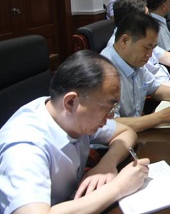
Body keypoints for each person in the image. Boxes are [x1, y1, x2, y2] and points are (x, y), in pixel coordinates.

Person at [0, 50, 149, 213]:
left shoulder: (71, 114)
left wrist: (107, 164)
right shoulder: (24, 147)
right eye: (107, 108)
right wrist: (119, 187)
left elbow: (126, 132)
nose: (112, 116)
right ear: (71, 102)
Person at [101, 13, 170, 132]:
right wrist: (159, 118)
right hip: (116, 139)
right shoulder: (103, 72)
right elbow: (108, 124)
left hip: (137, 131)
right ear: (125, 41)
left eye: (153, 48)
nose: (150, 55)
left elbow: (154, 88)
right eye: (146, 47)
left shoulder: (133, 61)